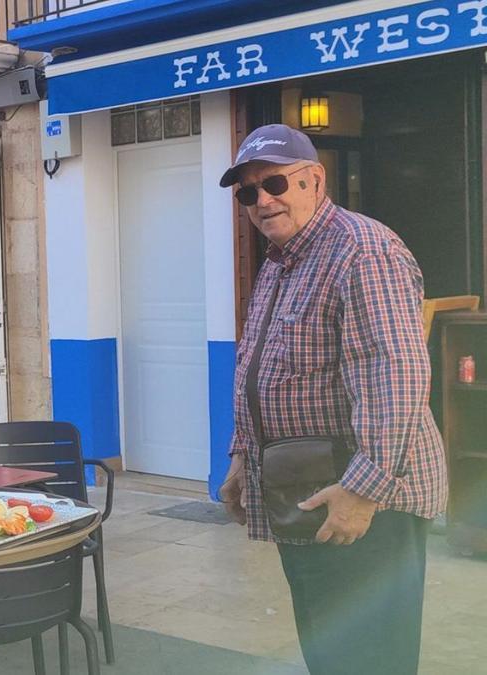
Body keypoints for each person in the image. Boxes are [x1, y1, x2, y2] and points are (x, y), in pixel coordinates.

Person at [217, 124, 447, 675]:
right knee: (328, 647)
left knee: (370, 655)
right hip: (305, 488)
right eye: (248, 192)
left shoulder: (362, 250)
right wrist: (242, 458)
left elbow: (395, 374)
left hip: (364, 498)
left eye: (275, 183)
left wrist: (363, 492)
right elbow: (261, 368)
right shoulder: (281, 259)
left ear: (314, 180)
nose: (262, 201)